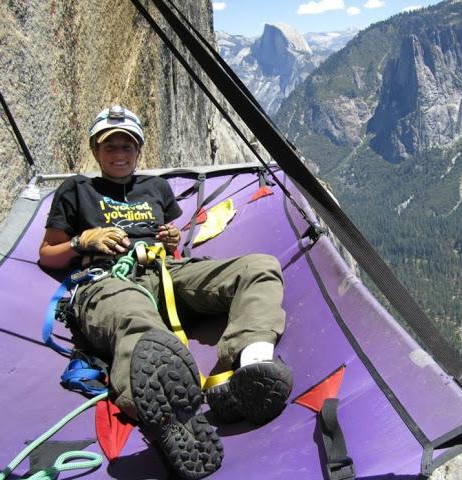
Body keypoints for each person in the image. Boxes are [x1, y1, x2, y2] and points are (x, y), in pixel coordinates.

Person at [39, 105, 293, 479]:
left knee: (259, 267)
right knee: (136, 322)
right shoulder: (77, 190)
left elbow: (174, 249)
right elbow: (48, 254)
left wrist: (173, 240)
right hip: (109, 280)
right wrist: (82, 239)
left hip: (166, 271)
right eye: (111, 147)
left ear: (139, 151)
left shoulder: (155, 189)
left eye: (128, 147)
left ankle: (249, 367)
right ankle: (167, 416)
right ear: (96, 151)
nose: (120, 154)